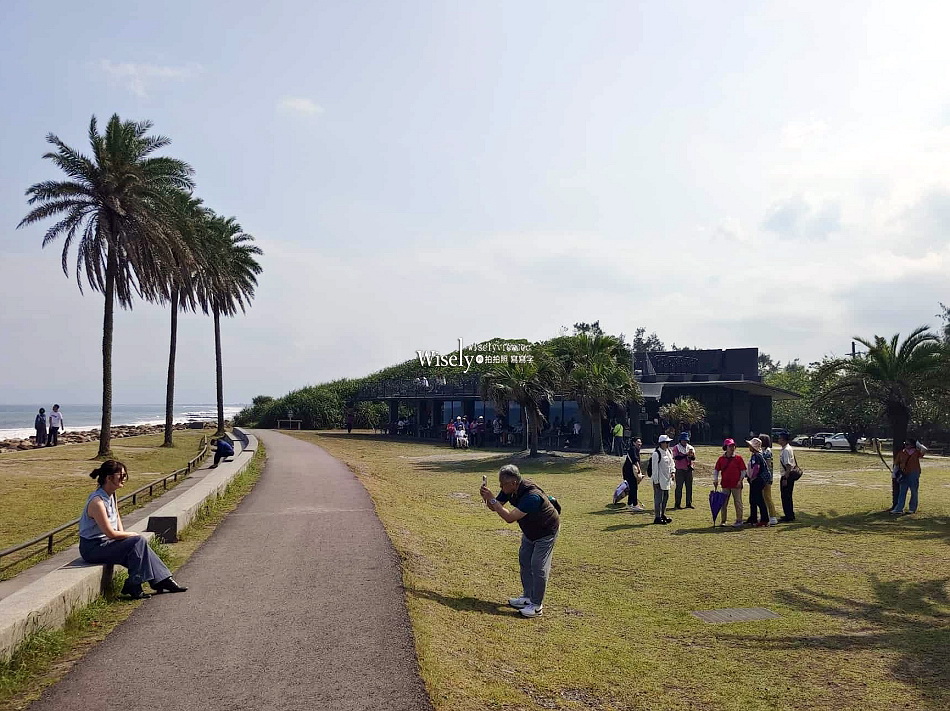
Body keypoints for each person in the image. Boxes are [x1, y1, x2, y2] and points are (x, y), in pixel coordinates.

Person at [79, 460, 187, 599]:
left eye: (125, 475)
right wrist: (130, 535)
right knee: (138, 540)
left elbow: (116, 517)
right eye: (121, 476)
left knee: (137, 545)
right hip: (93, 548)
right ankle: (143, 582)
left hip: (105, 543)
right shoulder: (97, 502)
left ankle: (157, 581)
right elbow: (110, 533)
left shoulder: (111, 495)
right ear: (108, 478)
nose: (124, 479)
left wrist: (125, 537)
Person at [480, 464, 560, 618]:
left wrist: (492, 500)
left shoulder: (531, 496)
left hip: (546, 531)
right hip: (530, 531)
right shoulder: (509, 489)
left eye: (503, 485)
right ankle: (528, 597)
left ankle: (537, 606)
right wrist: (487, 498)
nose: (501, 488)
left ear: (513, 483)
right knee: (524, 560)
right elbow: (496, 507)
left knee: (538, 566)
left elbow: (509, 517)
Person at [713, 439, 747, 527]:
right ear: (726, 447)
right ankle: (723, 521)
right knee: (724, 503)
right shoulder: (721, 459)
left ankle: (739, 520)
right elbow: (716, 470)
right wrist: (715, 479)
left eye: (733, 446)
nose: (732, 448)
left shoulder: (738, 458)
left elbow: (743, 471)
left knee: (738, 502)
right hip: (725, 484)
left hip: (736, 484)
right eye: (730, 446)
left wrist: (740, 481)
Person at [891, 438, 926, 515]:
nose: (905, 445)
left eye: (907, 444)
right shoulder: (901, 452)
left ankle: (912, 508)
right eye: (905, 444)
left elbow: (924, 450)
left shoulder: (916, 452)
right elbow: (897, 464)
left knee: (914, 491)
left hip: (914, 473)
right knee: (902, 492)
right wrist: (894, 473)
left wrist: (919, 445)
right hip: (903, 474)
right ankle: (899, 508)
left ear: (912, 445)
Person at [650, 435, 676, 524]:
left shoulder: (668, 452)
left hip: (667, 479)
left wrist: (673, 472)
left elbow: (672, 463)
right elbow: (654, 469)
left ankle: (663, 514)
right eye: (666, 442)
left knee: (665, 498)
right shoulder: (656, 454)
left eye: (668, 442)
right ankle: (657, 517)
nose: (668, 444)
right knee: (658, 499)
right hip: (659, 480)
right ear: (661, 443)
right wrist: (656, 481)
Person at [745, 438, 770, 527]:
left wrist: (752, 477)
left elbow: (756, 468)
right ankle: (753, 517)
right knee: (752, 499)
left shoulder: (756, 456)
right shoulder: (756, 455)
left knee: (759, 499)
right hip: (757, 480)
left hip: (757, 480)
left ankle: (764, 519)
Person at [671, 432, 697, 509]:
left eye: (686, 440)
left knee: (689, 487)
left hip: (688, 469)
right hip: (679, 470)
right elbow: (677, 458)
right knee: (679, 487)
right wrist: (686, 455)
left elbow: (693, 458)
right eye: (683, 440)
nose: (685, 442)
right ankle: (677, 504)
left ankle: (688, 503)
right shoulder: (676, 448)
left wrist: (691, 456)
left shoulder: (690, 448)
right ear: (680, 440)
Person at [777, 432, 798, 522]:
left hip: (786, 476)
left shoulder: (786, 450)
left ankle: (789, 516)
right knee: (787, 496)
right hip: (787, 475)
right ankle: (789, 514)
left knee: (786, 496)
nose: (778, 440)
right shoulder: (787, 448)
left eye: (780, 438)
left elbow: (788, 465)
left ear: (783, 439)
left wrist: (785, 478)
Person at [758, 433, 778, 525]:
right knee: (763, 497)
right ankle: (764, 515)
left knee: (767, 497)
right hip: (762, 477)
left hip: (766, 478)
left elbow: (768, 464)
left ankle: (773, 516)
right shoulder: (762, 451)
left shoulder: (767, 451)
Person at [622, 436, 645, 511]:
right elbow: (635, 460)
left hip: (629, 471)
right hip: (629, 471)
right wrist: (639, 470)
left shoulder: (635, 449)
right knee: (634, 487)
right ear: (634, 443)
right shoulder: (633, 449)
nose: (640, 443)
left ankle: (630, 503)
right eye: (638, 442)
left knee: (632, 487)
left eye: (640, 442)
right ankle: (635, 505)